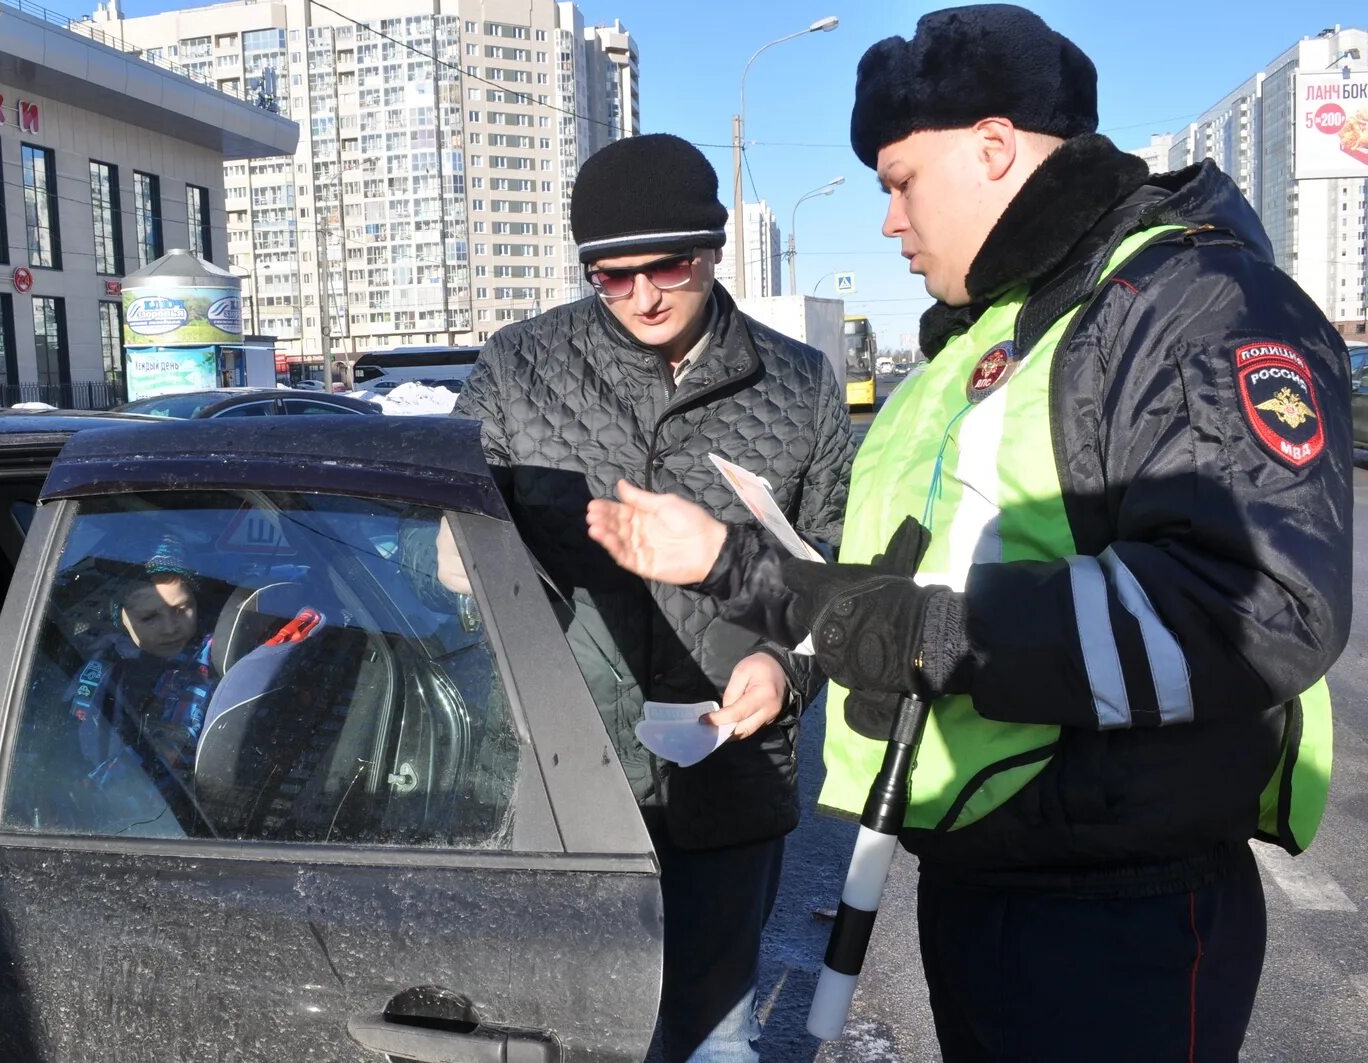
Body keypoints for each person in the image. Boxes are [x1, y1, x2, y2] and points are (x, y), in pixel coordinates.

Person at [586, 8, 1351, 1061]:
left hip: (1116, 914)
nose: (891, 221)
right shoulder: (990, 336)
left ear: (994, 146)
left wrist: (925, 639)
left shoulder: (1187, 304)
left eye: (900, 181)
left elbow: (1255, 607)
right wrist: (729, 562)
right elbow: (902, 583)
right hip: (985, 878)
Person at [452, 132, 854, 1061]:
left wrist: (784, 666)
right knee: (564, 1033)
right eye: (611, 276)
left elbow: (840, 566)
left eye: (666, 267)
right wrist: (454, 554)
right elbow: (460, 532)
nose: (641, 296)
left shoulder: (798, 384)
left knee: (714, 1038)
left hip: (733, 767)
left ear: (712, 249)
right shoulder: (519, 367)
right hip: (557, 766)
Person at [69, 538, 215, 802]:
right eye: (149, 617)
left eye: (182, 609)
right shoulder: (104, 658)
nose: (171, 628)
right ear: (120, 619)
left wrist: (88, 793)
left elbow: (170, 750)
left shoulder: (200, 668)